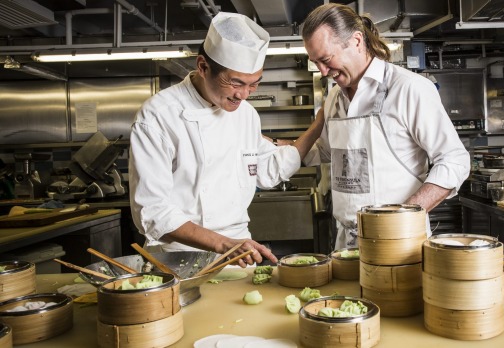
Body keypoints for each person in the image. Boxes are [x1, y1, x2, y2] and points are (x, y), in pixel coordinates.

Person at [129, 12, 324, 266]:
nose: (243, 95)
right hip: (178, 258)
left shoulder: (246, 115)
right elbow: (152, 211)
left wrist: (319, 123)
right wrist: (223, 244)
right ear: (202, 66)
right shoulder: (158, 116)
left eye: (254, 84)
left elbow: (269, 168)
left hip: (239, 256)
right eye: (235, 83)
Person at [301, 4, 470, 249]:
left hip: (400, 241)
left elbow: (454, 160)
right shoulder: (335, 98)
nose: (323, 71)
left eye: (326, 60)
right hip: (346, 243)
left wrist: (404, 215)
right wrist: (274, 149)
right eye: (316, 62)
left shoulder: (409, 89)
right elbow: (327, 151)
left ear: (356, 41)